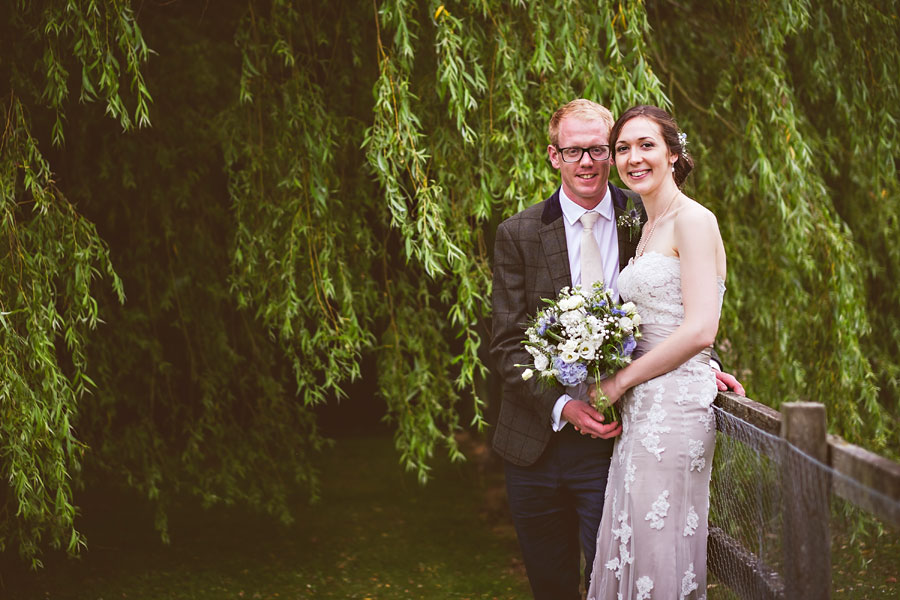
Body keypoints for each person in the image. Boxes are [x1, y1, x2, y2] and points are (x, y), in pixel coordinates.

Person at [490, 99, 743, 600]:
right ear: (553, 156)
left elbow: (679, 307)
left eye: (599, 150)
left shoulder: (641, 216)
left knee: (616, 572)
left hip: (617, 434)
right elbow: (504, 345)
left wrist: (700, 366)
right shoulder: (518, 233)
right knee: (552, 586)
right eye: (574, 150)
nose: (587, 161)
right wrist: (564, 405)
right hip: (534, 443)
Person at [586, 105, 726, 600]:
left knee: (658, 545)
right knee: (634, 543)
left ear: (673, 154)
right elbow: (660, 322)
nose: (632, 157)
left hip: (673, 411)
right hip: (643, 410)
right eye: (622, 148)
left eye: (646, 145)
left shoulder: (694, 220)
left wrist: (619, 381)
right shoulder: (646, 227)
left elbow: (700, 329)